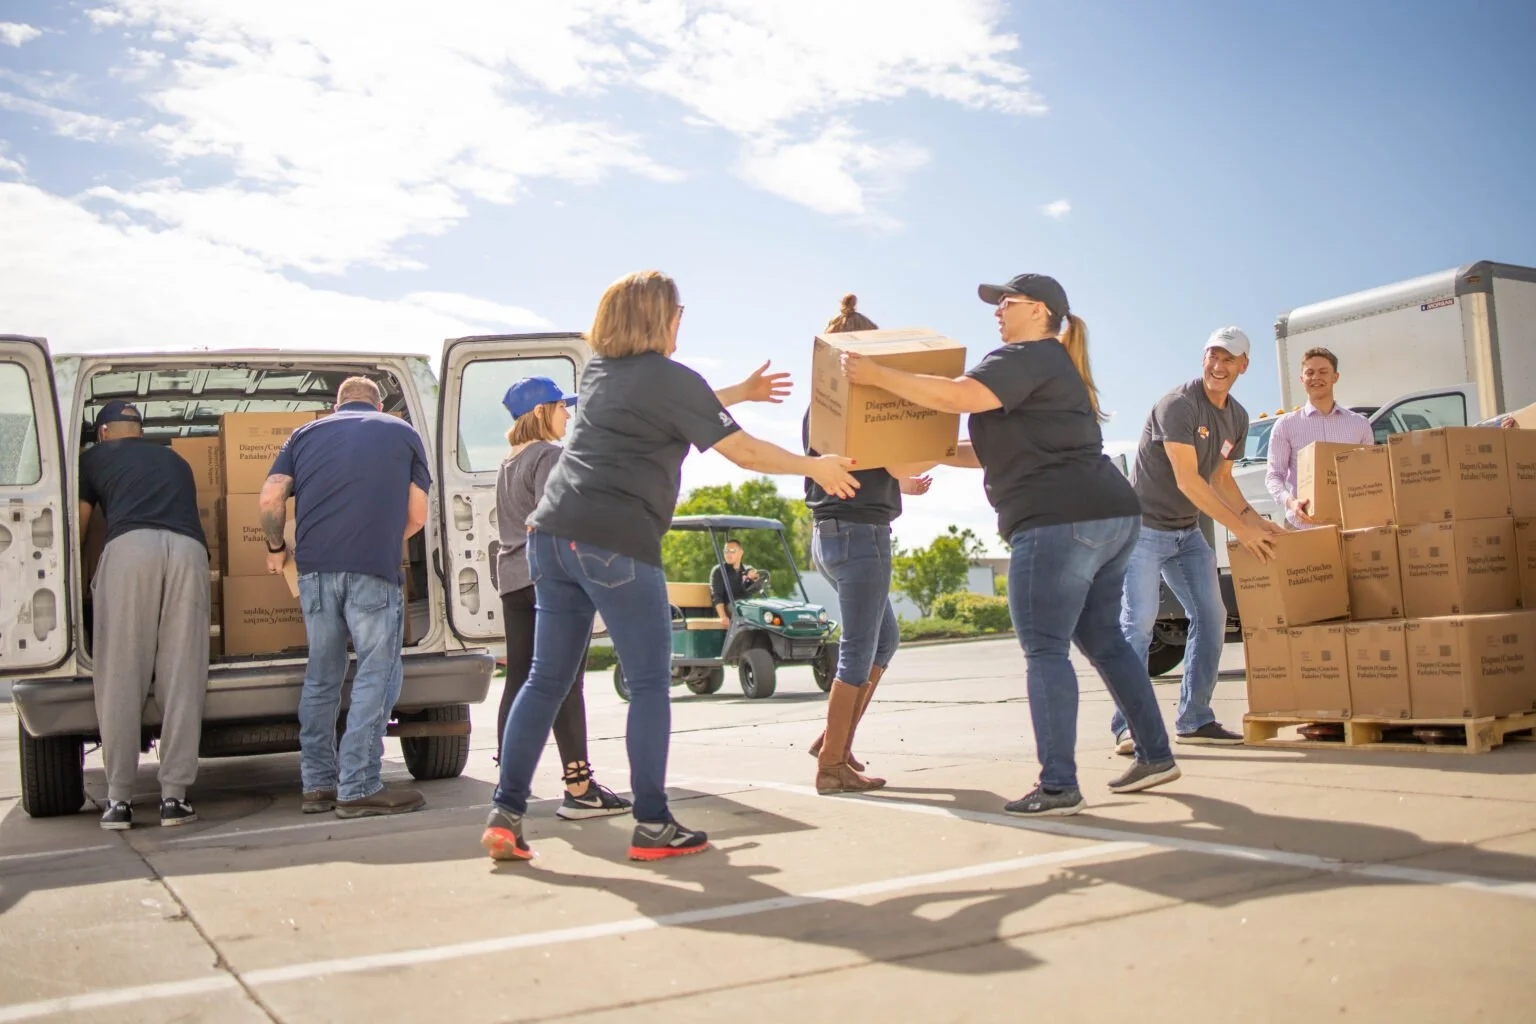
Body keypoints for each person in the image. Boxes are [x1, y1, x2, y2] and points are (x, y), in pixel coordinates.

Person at [481, 269, 859, 862]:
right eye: (679, 312)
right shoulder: (671, 379)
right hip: (615, 541)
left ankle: (505, 814)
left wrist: (740, 392)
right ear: (660, 317)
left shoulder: (599, 375)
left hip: (550, 539)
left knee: (545, 680)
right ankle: (653, 824)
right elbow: (744, 451)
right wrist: (816, 467)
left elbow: (676, 407)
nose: (683, 321)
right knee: (651, 683)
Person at [841, 273, 1181, 816]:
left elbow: (957, 395)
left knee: (1045, 648)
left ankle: (1059, 786)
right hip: (1110, 515)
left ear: (1039, 311)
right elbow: (986, 449)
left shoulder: (1023, 356)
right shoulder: (1051, 365)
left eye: (1007, 301)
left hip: (1057, 521)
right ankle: (1155, 754)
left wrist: (877, 374)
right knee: (1104, 640)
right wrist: (921, 451)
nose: (998, 310)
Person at [259, 377, 431, 818]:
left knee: (322, 675)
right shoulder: (402, 432)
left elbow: (271, 496)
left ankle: (317, 785)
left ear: (337, 405)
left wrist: (276, 548)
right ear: (378, 404)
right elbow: (417, 515)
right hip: (373, 568)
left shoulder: (304, 434)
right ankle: (358, 785)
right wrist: (384, 539)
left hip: (315, 571)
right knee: (376, 672)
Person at [1112, 327, 1286, 753]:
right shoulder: (1178, 405)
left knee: (1212, 616)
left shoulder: (1237, 417)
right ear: (1204, 358)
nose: (1218, 366)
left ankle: (1195, 719)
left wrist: (1256, 521)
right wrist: (1241, 530)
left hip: (1185, 532)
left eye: (1228, 359)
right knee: (1138, 624)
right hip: (1144, 529)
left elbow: (1222, 480)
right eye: (1213, 356)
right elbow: (1188, 480)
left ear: (1243, 366)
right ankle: (1127, 726)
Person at [804, 294, 933, 795]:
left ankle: (833, 741)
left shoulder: (822, 407)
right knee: (860, 650)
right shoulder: (868, 405)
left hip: (829, 534)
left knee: (884, 640)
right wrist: (940, 443)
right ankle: (832, 763)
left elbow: (868, 467)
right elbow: (896, 460)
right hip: (861, 537)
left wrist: (902, 484)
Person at [493, 377, 631, 820]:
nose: (567, 414)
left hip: (513, 579)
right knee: (566, 681)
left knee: (521, 679)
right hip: (547, 578)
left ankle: (509, 782)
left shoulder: (509, 462)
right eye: (560, 406)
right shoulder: (548, 456)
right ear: (540, 412)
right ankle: (580, 789)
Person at [79, 400, 211, 829]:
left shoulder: (93, 458)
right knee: (182, 671)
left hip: (131, 549)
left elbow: (79, 527)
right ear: (139, 430)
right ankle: (174, 797)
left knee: (121, 672)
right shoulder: (176, 460)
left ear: (103, 433)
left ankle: (119, 800)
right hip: (188, 552)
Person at [1264, 347, 1374, 528]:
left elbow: (1370, 473)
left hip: (1349, 525)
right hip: (1302, 526)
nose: (1316, 377)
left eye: (1323, 372)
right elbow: (1274, 476)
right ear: (1302, 379)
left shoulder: (1359, 424)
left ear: (1335, 377)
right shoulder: (1286, 425)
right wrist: (1291, 503)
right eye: (1310, 373)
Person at [709, 539, 765, 627]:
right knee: (744, 610)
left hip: (747, 606)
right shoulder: (719, 571)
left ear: (741, 552)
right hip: (731, 607)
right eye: (726, 551)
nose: (728, 554)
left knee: (764, 611)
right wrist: (723, 617)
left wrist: (754, 579)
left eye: (732, 551)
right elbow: (717, 596)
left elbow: (756, 588)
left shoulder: (747, 570)